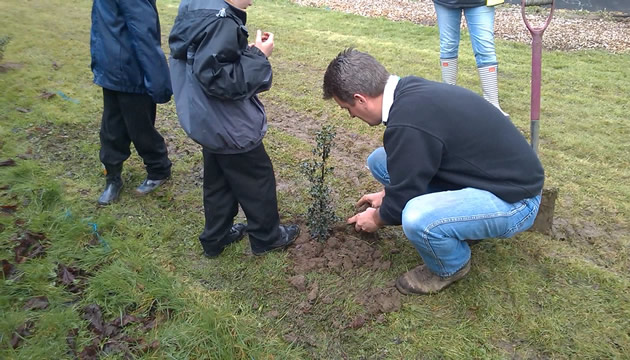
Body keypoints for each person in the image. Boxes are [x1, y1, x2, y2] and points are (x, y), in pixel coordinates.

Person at [323, 49, 544, 295]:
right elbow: (417, 162)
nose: (352, 116)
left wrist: (375, 218)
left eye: (347, 108)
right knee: (380, 161)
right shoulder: (409, 92)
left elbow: (401, 204)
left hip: (516, 201)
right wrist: (388, 195)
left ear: (360, 98)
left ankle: (451, 266)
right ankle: (461, 223)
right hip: (487, 177)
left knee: (417, 218)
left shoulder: (407, 123)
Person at [168, 0, 299, 257]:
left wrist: (241, 53)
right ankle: (267, 237)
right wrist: (259, 55)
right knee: (257, 178)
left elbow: (207, 61)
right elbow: (224, 82)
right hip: (229, 124)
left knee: (219, 181)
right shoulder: (222, 22)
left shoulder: (197, 6)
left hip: (206, 119)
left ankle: (215, 238)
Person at [90, 0, 174, 205]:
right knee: (110, 127)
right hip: (109, 67)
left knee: (140, 127)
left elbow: (144, 32)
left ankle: (159, 169)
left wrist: (157, 80)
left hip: (132, 70)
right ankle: (112, 176)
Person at [433, 0, 508, 116]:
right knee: (448, 46)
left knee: (485, 48)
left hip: (480, 2)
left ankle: (493, 105)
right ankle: (449, 99)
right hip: (445, 2)